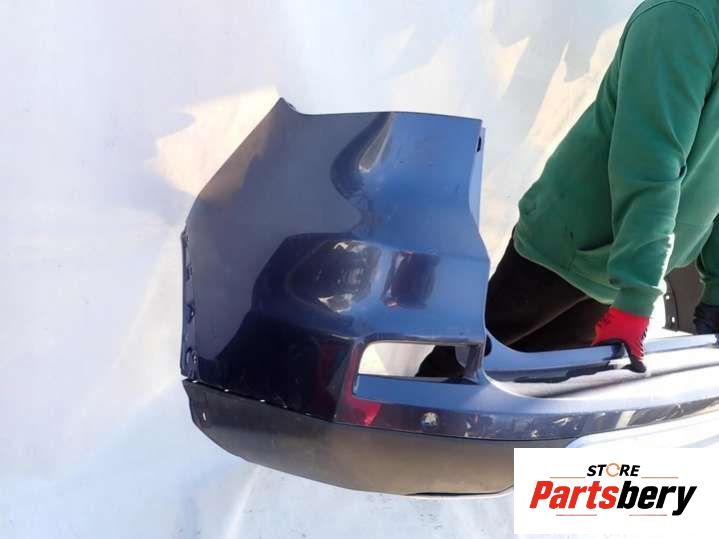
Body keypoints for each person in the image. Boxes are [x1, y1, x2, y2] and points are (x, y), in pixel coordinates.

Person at [419, 0, 719, 376]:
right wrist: (638, 294)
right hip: (569, 249)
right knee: (456, 380)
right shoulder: (680, 18)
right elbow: (650, 162)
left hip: (630, 264)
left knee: (544, 396)